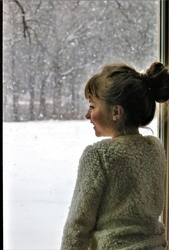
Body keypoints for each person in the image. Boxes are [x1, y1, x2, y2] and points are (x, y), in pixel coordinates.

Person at [60, 62, 169, 250]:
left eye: (92, 106)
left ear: (116, 112)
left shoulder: (98, 155)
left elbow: (78, 225)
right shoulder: (155, 149)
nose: (88, 115)